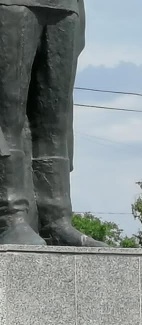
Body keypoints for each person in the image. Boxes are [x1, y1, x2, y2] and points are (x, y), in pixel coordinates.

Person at [0, 0, 103, 246]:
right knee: (8, 112)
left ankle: (55, 218)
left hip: (65, 6)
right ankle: (9, 215)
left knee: (55, 119)